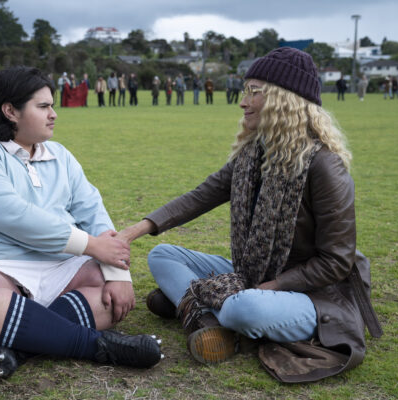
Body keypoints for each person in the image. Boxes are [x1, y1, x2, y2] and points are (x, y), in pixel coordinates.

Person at [117, 47, 382, 383]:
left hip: (315, 296)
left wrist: (272, 288)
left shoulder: (324, 166)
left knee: (244, 308)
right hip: (252, 275)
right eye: (246, 91)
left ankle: (197, 307)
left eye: (255, 92)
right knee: (162, 256)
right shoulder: (253, 155)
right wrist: (132, 232)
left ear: (285, 100)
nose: (243, 101)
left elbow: (336, 262)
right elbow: (200, 196)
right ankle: (208, 321)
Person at [0, 66, 162, 381]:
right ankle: (96, 346)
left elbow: (92, 210)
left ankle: (15, 348)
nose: (54, 114)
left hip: (53, 265)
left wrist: (117, 274)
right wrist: (92, 246)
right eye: (43, 106)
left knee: (112, 294)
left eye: (52, 106)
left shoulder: (60, 155)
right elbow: (16, 217)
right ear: (10, 111)